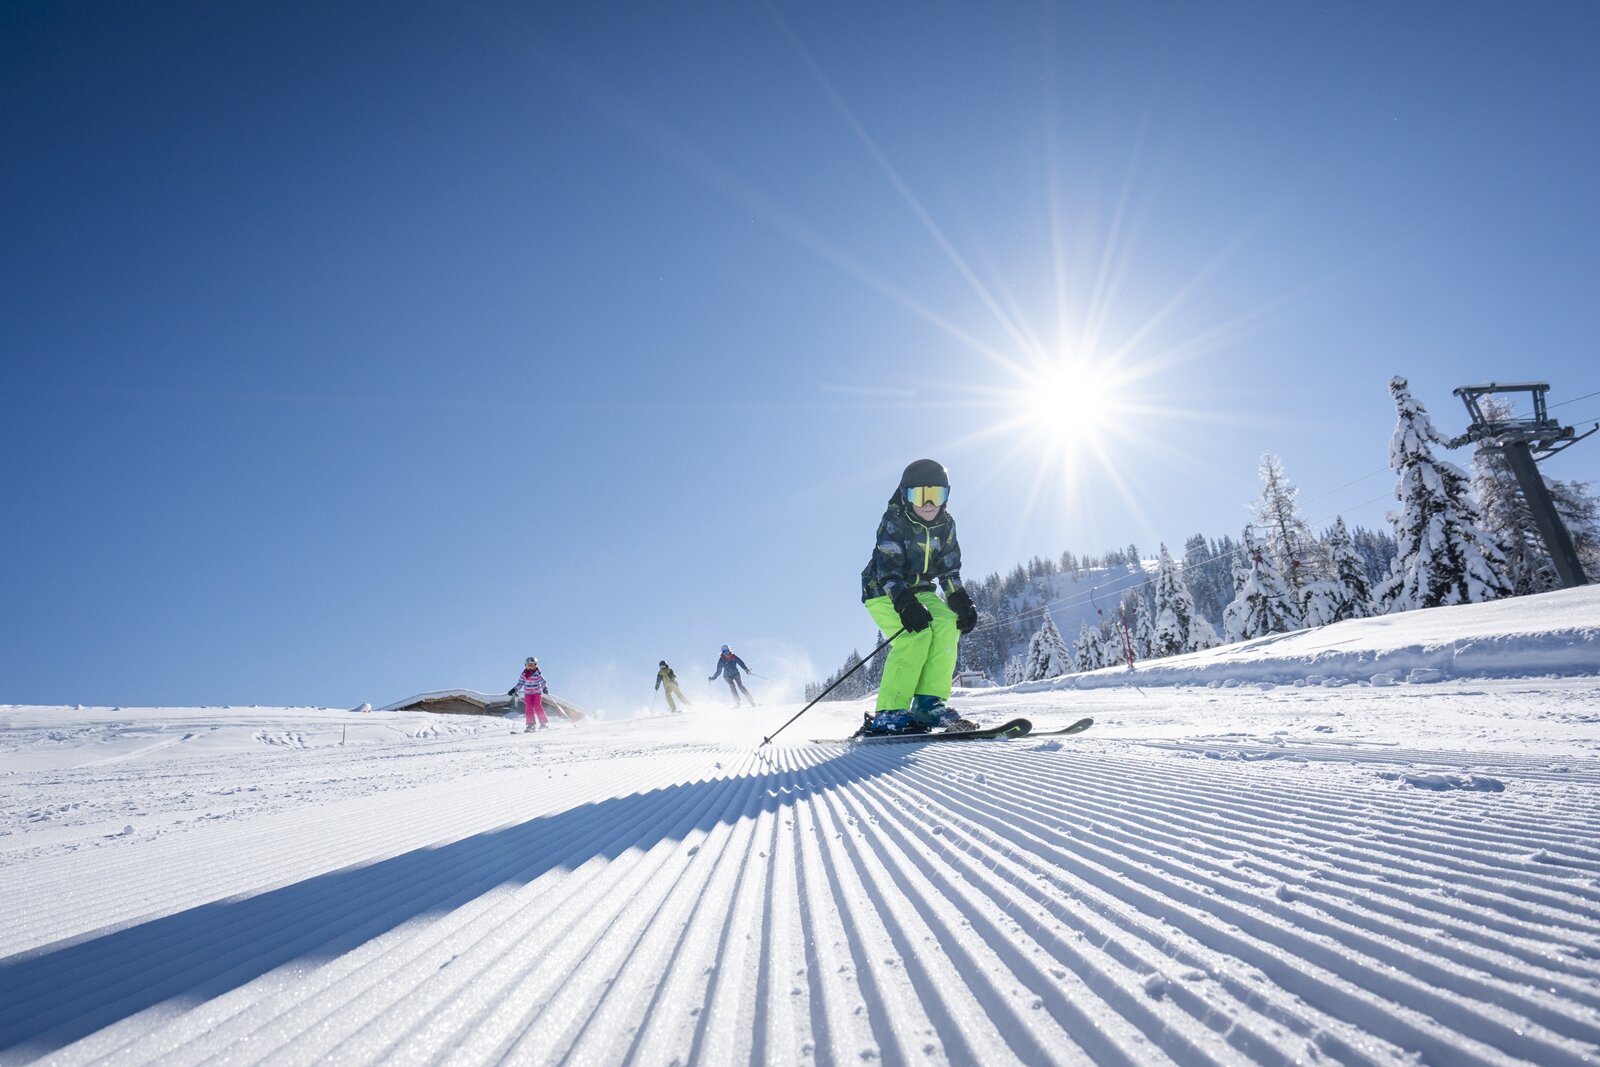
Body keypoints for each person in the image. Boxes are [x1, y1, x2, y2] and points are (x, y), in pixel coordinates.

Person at [857, 458, 979, 736]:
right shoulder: (894, 522)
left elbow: (949, 571)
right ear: (905, 495)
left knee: (948, 624)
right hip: (883, 590)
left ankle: (928, 704)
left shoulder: (946, 525)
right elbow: (888, 569)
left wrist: (960, 600)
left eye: (936, 495)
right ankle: (889, 712)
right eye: (919, 495)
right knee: (916, 635)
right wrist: (904, 603)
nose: (928, 504)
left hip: (922, 589)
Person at [509, 656, 550, 732]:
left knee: (537, 706)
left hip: (537, 693)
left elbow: (543, 682)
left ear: (535, 665)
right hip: (528, 694)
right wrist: (514, 690)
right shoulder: (524, 674)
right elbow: (520, 684)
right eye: (529, 665)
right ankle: (531, 725)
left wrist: (545, 688)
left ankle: (544, 723)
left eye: (532, 665)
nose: (530, 667)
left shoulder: (537, 673)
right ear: (526, 665)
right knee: (529, 707)